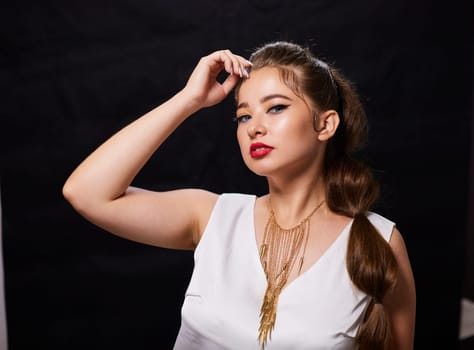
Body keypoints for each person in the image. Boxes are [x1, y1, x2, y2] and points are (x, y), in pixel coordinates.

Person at [63, 40, 416, 350]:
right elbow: (86, 193)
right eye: (243, 116)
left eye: (276, 107)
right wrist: (190, 99)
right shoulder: (213, 216)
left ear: (325, 125)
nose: (255, 127)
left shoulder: (378, 241)